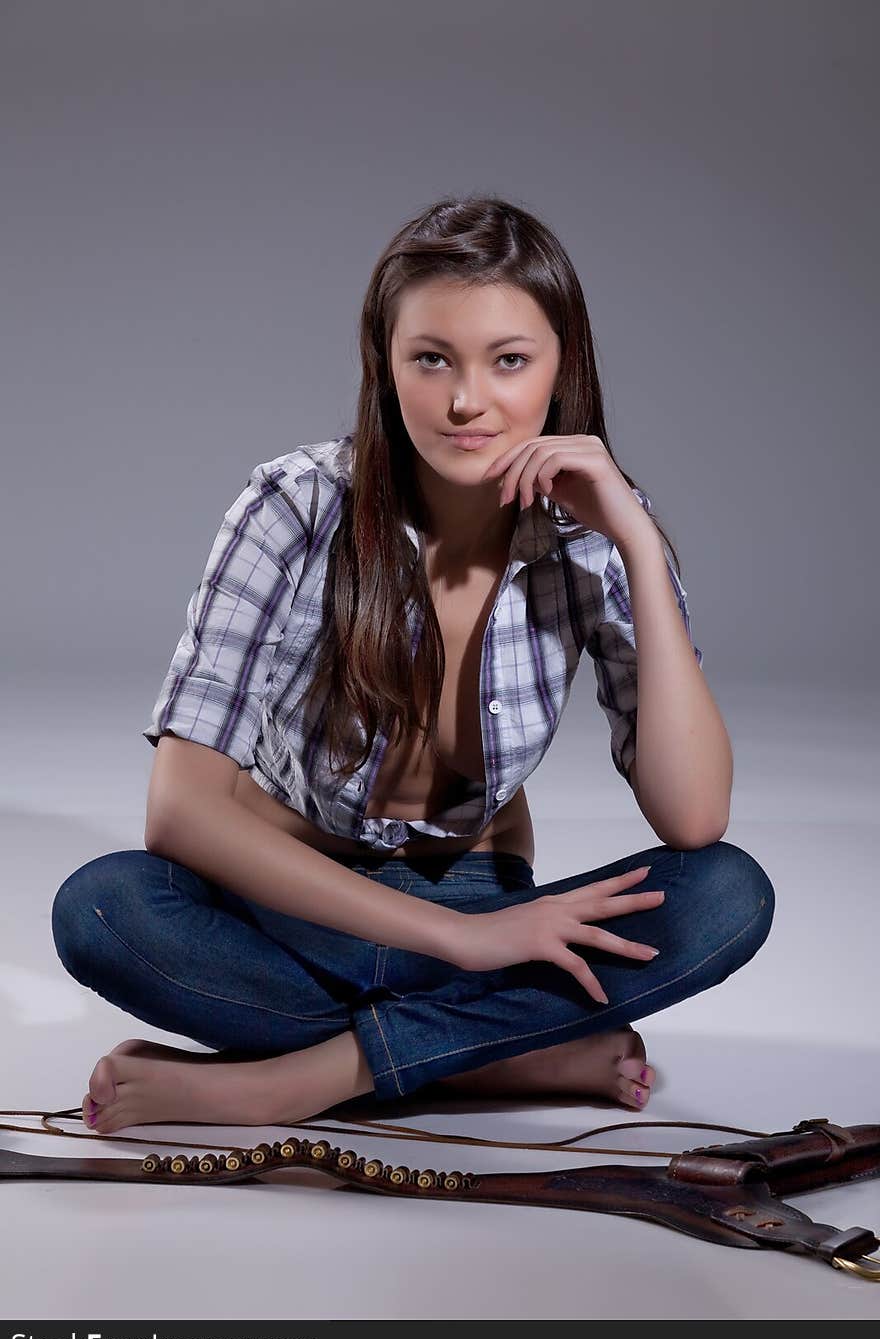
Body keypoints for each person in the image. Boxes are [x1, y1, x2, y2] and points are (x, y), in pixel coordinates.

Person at [51, 194, 774, 1136]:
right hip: (293, 893)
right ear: (385, 366)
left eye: (509, 360)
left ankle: (300, 1079)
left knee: (727, 893)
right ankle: (493, 1053)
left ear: (563, 367)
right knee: (102, 910)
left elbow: (694, 816)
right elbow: (180, 810)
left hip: (472, 882)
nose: (467, 400)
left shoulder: (593, 531)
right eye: (432, 359)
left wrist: (635, 539)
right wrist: (469, 944)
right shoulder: (296, 506)